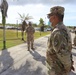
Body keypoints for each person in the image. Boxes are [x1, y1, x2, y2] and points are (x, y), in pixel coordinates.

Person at [46, 6, 74, 75]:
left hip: (57, 70)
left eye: (49, 16)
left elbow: (63, 54)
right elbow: (67, 49)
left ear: (54, 17)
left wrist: (68, 67)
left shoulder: (58, 32)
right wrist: (70, 63)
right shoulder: (64, 28)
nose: (49, 19)